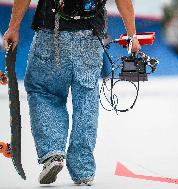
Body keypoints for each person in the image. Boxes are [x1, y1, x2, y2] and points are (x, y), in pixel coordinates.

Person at [3, 0, 140, 186]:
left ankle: (53, 152)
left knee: (43, 91)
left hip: (51, 34)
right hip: (91, 37)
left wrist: (13, 28)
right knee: (86, 97)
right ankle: (83, 170)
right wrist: (132, 35)